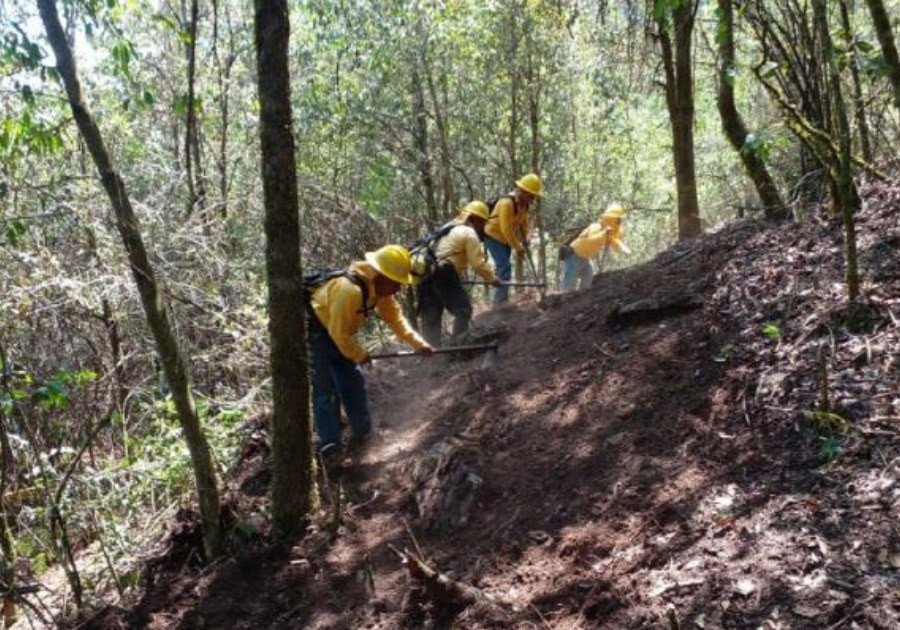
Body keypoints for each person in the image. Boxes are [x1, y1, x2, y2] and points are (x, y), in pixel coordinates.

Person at [306, 244, 434, 458]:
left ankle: (363, 434)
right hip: (318, 336)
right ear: (382, 275)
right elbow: (337, 332)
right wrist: (359, 354)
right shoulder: (349, 290)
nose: (398, 289)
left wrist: (419, 344)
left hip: (342, 337)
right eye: (396, 282)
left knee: (352, 382)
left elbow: (396, 320)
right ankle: (331, 446)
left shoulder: (379, 291)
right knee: (324, 390)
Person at [415, 201, 503, 347]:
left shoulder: (446, 228)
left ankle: (431, 353)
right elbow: (478, 264)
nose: (482, 227)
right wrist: (492, 279)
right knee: (463, 310)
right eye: (482, 222)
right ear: (476, 219)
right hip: (444, 271)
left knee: (431, 317)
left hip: (425, 273)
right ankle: (459, 347)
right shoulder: (469, 232)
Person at [484, 173, 543, 304]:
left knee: (504, 268)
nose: (533, 198)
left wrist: (525, 240)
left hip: (506, 239)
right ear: (523, 191)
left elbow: (524, 224)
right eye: (531, 195)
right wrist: (518, 247)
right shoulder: (506, 203)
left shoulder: (524, 205)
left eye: (534, 196)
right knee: (504, 267)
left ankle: (502, 299)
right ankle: (499, 303)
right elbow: (506, 229)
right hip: (493, 236)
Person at [560, 202, 631, 292]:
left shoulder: (611, 233)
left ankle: (582, 298)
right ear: (611, 218)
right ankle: (565, 298)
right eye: (618, 219)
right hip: (573, 255)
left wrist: (623, 249)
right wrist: (604, 233)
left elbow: (615, 242)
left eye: (620, 220)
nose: (619, 222)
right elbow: (590, 240)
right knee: (570, 282)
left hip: (585, 258)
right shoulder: (596, 227)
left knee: (588, 279)